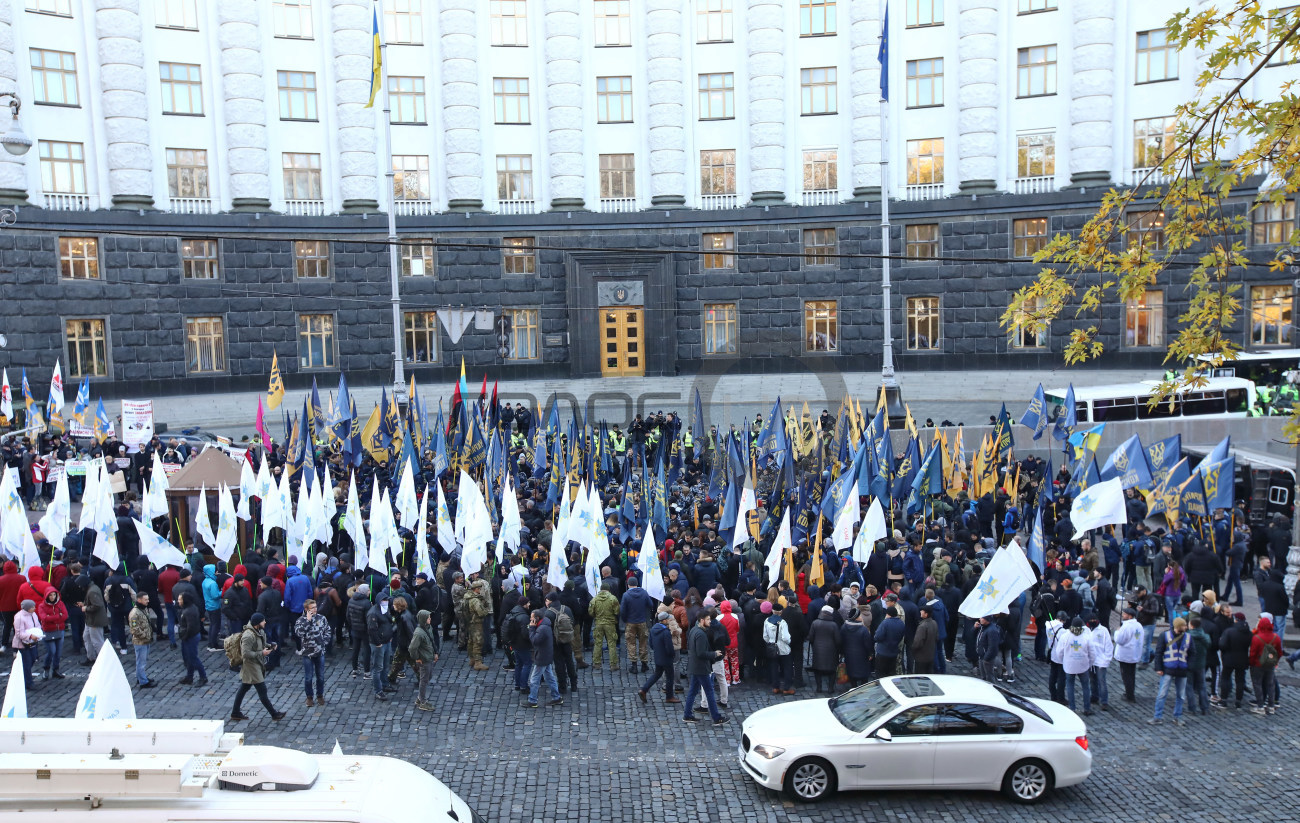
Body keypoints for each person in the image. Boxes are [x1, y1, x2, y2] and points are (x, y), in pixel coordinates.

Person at [230, 613, 287, 722]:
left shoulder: (259, 631)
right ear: (257, 623)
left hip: (256, 664)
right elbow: (246, 654)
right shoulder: (248, 636)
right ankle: (274, 714)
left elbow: (262, 643)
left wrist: (270, 646)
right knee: (262, 690)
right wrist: (261, 653)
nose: (265, 622)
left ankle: (235, 712)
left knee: (244, 688)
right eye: (263, 621)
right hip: (251, 666)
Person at [683, 610, 728, 725]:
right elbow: (701, 653)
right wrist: (714, 654)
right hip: (701, 667)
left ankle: (687, 715)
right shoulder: (701, 634)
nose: (710, 621)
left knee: (693, 691)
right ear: (702, 620)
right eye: (708, 619)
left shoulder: (694, 630)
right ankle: (716, 717)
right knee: (709, 691)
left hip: (695, 666)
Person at [1150, 616, 1191, 725]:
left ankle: (1177, 717)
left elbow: (1192, 654)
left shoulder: (1188, 637)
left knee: (1181, 696)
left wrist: (1189, 667)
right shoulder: (1165, 636)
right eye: (1184, 625)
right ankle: (1157, 716)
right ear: (1178, 626)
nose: (1186, 627)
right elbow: (1158, 652)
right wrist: (1158, 668)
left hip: (1182, 670)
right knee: (1162, 694)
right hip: (1168, 669)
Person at [295, 599, 330, 707]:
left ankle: (320, 695)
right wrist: (307, 621)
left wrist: (324, 643)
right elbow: (299, 633)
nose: (315, 609)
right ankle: (309, 697)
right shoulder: (301, 620)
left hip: (319, 652)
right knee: (308, 677)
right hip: (307, 653)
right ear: (306, 609)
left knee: (320, 676)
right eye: (312, 608)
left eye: (315, 607)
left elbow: (328, 631)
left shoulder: (322, 618)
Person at [638, 611, 679, 704]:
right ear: (664, 620)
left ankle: (644, 690)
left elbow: (651, 644)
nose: (669, 620)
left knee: (657, 674)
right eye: (668, 619)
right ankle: (669, 696)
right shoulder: (665, 632)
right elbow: (669, 647)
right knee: (670, 677)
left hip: (658, 656)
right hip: (666, 658)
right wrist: (672, 654)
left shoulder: (653, 629)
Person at [526, 609, 563, 708]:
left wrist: (531, 628)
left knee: (534, 680)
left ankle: (532, 700)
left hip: (542, 657)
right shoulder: (545, 625)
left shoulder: (542, 629)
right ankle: (556, 697)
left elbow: (534, 641)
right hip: (546, 655)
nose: (530, 619)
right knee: (549, 677)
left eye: (532, 618)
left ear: (537, 618)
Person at [1214, 611, 1251, 710]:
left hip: (1229, 658)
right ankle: (1238, 701)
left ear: (1236, 620)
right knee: (1240, 680)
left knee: (1225, 678)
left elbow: (1222, 645)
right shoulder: (1248, 632)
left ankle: (1224, 700)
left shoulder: (1229, 631)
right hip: (1242, 659)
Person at [1248, 615, 1282, 715]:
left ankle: (1260, 706)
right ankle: (1271, 706)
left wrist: (1252, 663)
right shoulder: (1276, 637)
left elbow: (1253, 654)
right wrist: (1275, 661)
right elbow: (1279, 652)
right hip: (1270, 664)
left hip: (1258, 665)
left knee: (1257, 684)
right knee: (1270, 684)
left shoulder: (1257, 638)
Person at [408, 609, 441, 711]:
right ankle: (422, 701)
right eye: (428, 618)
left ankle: (419, 698)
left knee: (428, 676)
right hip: (424, 659)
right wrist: (417, 658)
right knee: (424, 679)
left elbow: (432, 641)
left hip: (429, 657)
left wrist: (435, 653)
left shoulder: (428, 627)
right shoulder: (418, 633)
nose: (430, 619)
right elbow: (412, 648)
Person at [1060, 617, 1094, 715]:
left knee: (1070, 686)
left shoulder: (1065, 636)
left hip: (1069, 665)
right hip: (1083, 665)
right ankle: (1087, 708)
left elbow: (1059, 652)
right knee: (1085, 687)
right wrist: (1089, 664)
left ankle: (1072, 708)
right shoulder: (1086, 637)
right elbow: (1092, 654)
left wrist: (1064, 661)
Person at [366, 593, 397, 701]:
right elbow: (372, 630)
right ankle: (378, 690)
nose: (386, 602)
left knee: (385, 665)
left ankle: (385, 684)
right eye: (384, 600)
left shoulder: (385, 610)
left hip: (386, 641)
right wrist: (378, 643)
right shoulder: (373, 613)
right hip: (378, 644)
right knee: (378, 667)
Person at [620, 576, 653, 672]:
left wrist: (625, 619)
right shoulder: (644, 593)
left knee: (631, 643)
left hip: (630, 622)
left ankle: (634, 665)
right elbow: (650, 605)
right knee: (643, 642)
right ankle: (644, 664)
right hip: (642, 621)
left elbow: (622, 610)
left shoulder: (626, 595)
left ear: (628, 584)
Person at [807, 604, 842, 692]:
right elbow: (838, 640)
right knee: (832, 670)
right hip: (831, 651)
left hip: (818, 650)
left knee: (817, 670)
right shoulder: (834, 625)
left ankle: (819, 687)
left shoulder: (815, 623)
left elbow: (810, 637)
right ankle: (830, 688)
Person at [176, 592, 207, 687]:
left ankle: (203, 677)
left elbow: (191, 627)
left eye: (180, 599)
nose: (178, 601)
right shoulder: (190, 608)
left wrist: (185, 636)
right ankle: (189, 677)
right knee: (189, 658)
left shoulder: (188, 611)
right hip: (190, 636)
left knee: (193, 658)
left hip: (190, 637)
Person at [36, 588, 68, 680]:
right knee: (51, 651)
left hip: (59, 630)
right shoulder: (42, 606)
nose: (52, 597)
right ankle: (46, 668)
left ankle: (56, 670)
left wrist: (52, 618)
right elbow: (44, 618)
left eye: (54, 595)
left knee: (58, 653)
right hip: (48, 632)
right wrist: (58, 616)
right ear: (47, 596)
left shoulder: (60, 604)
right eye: (50, 595)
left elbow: (65, 615)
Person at [1113, 607, 1142, 702]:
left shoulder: (1126, 626)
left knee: (1126, 676)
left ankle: (1129, 695)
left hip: (1126, 654)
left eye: (1124, 614)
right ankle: (1130, 692)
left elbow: (1119, 640)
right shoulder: (1138, 625)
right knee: (1131, 675)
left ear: (1130, 616)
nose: (1123, 615)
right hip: (1134, 654)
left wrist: (1117, 631)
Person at [590, 580, 620, 671]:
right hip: (610, 624)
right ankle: (613, 664)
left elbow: (591, 612)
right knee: (611, 643)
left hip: (598, 623)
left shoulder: (594, 599)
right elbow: (617, 611)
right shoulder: (613, 598)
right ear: (608, 590)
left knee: (598, 643)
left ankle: (597, 664)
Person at [128, 591, 155, 688]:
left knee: (143, 661)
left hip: (146, 640)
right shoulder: (135, 613)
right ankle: (143, 681)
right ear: (139, 600)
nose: (148, 601)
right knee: (141, 662)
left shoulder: (143, 609)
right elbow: (135, 629)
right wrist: (145, 636)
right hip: (140, 641)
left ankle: (141, 677)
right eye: (145, 599)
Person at [11, 600, 41, 690]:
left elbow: (37, 625)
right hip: (22, 644)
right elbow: (19, 634)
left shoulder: (33, 614)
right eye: (33, 607)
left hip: (32, 642)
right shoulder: (19, 617)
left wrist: (38, 633)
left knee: (32, 659)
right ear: (28, 608)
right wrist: (31, 635)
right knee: (27, 663)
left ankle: (24, 678)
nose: (34, 608)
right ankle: (28, 683)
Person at [1086, 612, 1113, 711]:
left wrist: (1106, 660)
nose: (1092, 622)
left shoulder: (1103, 630)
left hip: (1101, 661)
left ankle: (1104, 701)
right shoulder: (1087, 630)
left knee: (1102, 681)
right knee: (1092, 680)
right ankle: (1094, 696)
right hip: (1091, 661)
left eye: (1094, 620)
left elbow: (1109, 646)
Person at [80, 572, 109, 664]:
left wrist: (86, 608)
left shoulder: (92, 591)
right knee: (87, 637)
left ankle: (103, 660)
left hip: (95, 620)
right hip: (91, 620)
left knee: (97, 641)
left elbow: (97, 605)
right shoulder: (93, 588)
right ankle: (91, 657)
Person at [873, 605, 905, 679]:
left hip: (883, 652)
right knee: (891, 673)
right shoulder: (901, 623)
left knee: (880, 673)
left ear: (888, 614)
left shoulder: (885, 623)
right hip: (893, 652)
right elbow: (901, 636)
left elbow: (878, 636)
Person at [912, 603, 938, 675]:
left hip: (921, 657)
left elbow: (917, 643)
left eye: (922, 611)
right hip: (930, 655)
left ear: (926, 614)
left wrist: (913, 651)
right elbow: (936, 638)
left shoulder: (922, 626)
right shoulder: (934, 623)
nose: (920, 611)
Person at [975, 615, 1003, 683]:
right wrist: (975, 628)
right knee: (984, 676)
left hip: (986, 657)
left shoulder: (992, 630)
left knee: (989, 676)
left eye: (982, 618)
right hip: (982, 655)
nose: (979, 619)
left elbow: (993, 646)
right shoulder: (983, 627)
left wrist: (986, 658)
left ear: (987, 619)